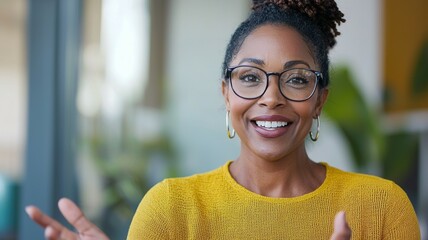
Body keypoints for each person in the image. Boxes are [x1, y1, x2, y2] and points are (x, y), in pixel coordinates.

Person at [26, 0, 421, 239]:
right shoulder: (171, 209)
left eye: (297, 79)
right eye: (250, 77)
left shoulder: (382, 209)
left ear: (320, 100)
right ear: (226, 92)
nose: (271, 97)